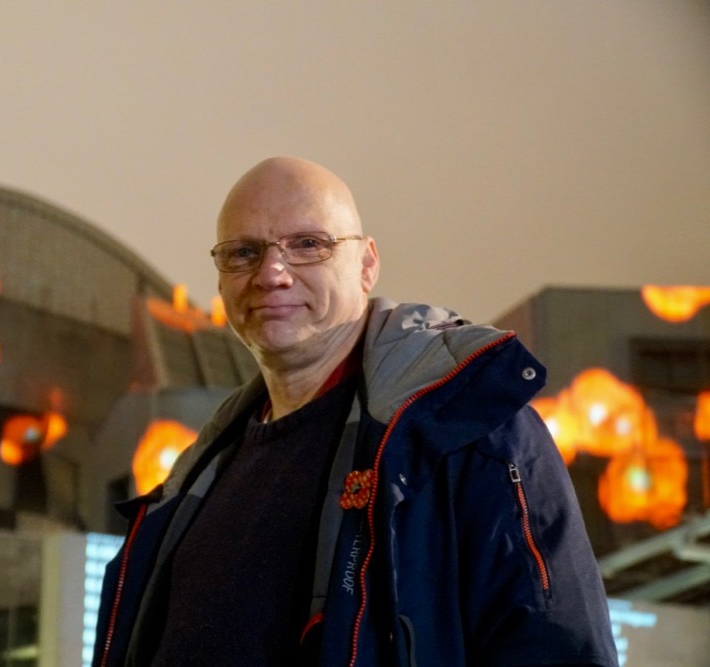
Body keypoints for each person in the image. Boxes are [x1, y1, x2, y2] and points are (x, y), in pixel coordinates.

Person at [93, 157, 618, 666]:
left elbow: (557, 647)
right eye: (243, 252)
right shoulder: (197, 476)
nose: (271, 273)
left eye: (307, 245)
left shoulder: (465, 427)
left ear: (367, 264)